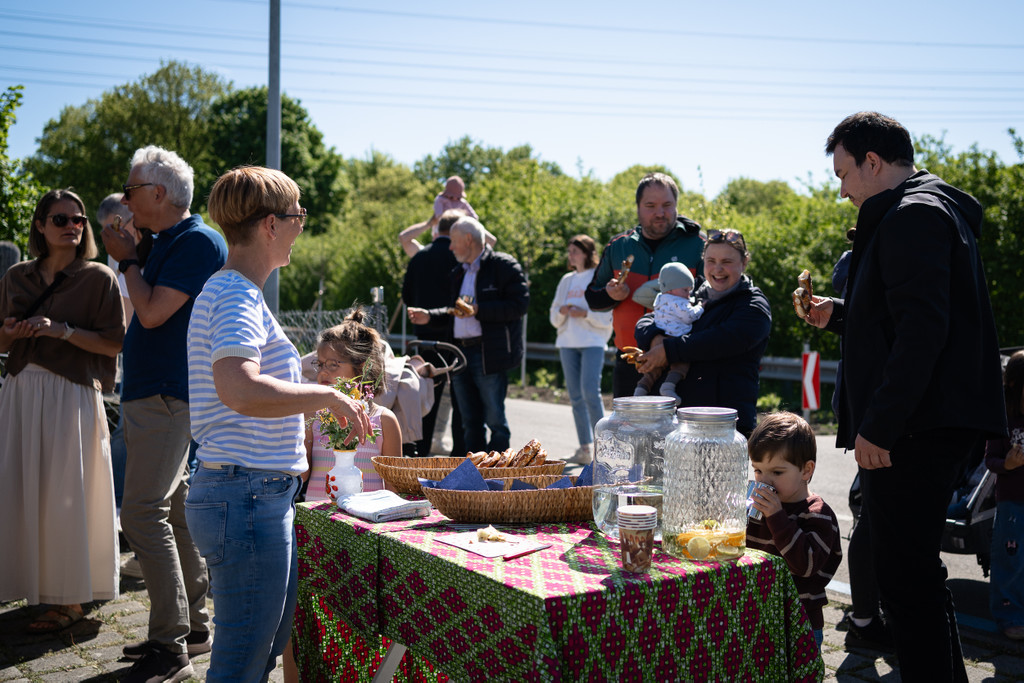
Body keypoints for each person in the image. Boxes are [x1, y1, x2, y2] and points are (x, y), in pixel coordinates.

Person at [804, 111, 1006, 681]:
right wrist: (841, 313)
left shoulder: (911, 215)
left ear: (873, 161)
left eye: (844, 174)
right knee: (915, 573)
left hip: (917, 424)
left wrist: (880, 425)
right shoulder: (930, 208)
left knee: (903, 577)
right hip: (932, 419)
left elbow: (923, 333)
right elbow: (907, 318)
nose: (842, 191)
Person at [185, 165, 372, 682]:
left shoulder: (235, 294)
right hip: (245, 493)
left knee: (258, 651)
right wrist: (327, 395)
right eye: (298, 216)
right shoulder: (237, 295)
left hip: (250, 492)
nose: (301, 226)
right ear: (271, 224)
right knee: (241, 660)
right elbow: (239, 388)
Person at [100, 145, 227, 682]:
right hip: (155, 391)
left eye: (130, 189)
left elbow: (150, 314)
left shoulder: (196, 240)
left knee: (141, 514)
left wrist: (128, 259)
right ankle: (193, 629)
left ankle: (168, 644)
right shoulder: (168, 240)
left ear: (157, 193)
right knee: (172, 514)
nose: (124, 199)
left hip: (168, 394)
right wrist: (134, 252)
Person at [0, 189, 125, 632]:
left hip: (71, 395)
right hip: (20, 391)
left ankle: (71, 599)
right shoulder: (16, 277)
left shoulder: (98, 279)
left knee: (67, 495)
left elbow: (113, 342)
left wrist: (63, 331)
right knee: (21, 490)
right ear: (39, 226)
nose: (72, 226)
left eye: (78, 219)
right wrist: (12, 333)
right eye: (60, 219)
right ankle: (30, 584)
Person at [406, 216, 529, 453]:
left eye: (453, 241)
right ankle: (475, 475)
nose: (450, 247)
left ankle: (497, 476)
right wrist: (429, 316)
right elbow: (456, 311)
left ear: (469, 240)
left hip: (489, 354)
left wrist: (480, 310)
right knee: (469, 423)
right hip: (461, 354)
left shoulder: (503, 266)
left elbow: (519, 305)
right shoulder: (458, 272)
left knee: (496, 422)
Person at [634, 228, 771, 437]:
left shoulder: (754, 305)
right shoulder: (690, 292)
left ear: (744, 263)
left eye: (727, 261)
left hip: (723, 425)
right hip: (676, 423)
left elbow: (719, 341)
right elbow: (647, 320)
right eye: (711, 260)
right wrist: (656, 338)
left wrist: (668, 351)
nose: (718, 269)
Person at [585, 172, 704, 398]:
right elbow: (592, 298)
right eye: (650, 205)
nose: (660, 213)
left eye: (667, 205)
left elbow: (710, 303)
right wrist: (611, 295)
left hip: (680, 364)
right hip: (630, 361)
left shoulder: (698, 246)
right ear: (638, 207)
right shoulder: (618, 246)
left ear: (677, 206)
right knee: (627, 433)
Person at [746, 412, 842, 651]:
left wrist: (777, 517)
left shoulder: (817, 514)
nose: (764, 481)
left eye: (777, 473)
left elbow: (806, 565)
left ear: (806, 470)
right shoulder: (756, 508)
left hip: (799, 623)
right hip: (758, 617)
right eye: (758, 471)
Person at [304, 309, 402, 499]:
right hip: (315, 523)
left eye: (333, 365)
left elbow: (394, 491)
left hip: (364, 524)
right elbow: (302, 474)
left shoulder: (384, 421)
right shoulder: (314, 416)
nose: (323, 372)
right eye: (320, 364)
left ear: (362, 367)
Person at [402, 208, 467, 457]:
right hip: (454, 336)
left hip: (424, 338)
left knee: (426, 399)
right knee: (461, 400)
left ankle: (421, 452)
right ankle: (461, 455)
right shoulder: (459, 258)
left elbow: (407, 296)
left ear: (436, 229)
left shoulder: (419, 258)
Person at [548, 234, 613, 464]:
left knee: (590, 393)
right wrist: (563, 312)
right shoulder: (566, 280)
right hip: (567, 343)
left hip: (592, 342)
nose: (571, 255)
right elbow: (554, 313)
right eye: (570, 251)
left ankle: (604, 449)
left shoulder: (598, 278)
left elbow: (607, 315)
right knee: (575, 397)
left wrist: (584, 313)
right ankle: (585, 449)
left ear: (587, 253)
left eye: (575, 251)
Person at [985, 350, 1024, 641]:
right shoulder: (1002, 419)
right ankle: (1008, 615)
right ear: (1014, 385)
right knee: (1010, 560)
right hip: (1011, 502)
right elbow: (991, 461)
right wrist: (1008, 465)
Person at [632, 261, 702, 404]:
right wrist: (700, 306)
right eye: (685, 290)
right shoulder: (678, 302)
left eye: (690, 290)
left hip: (661, 336)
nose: (688, 294)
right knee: (680, 366)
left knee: (653, 370)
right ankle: (668, 387)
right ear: (671, 289)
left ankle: (640, 390)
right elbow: (689, 316)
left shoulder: (660, 299)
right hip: (675, 337)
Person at [399, 176, 494, 257]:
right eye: (452, 197)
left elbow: (490, 240)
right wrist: (431, 223)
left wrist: (463, 222)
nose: (455, 200)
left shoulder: (464, 258)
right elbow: (404, 238)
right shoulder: (465, 258)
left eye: (458, 197)